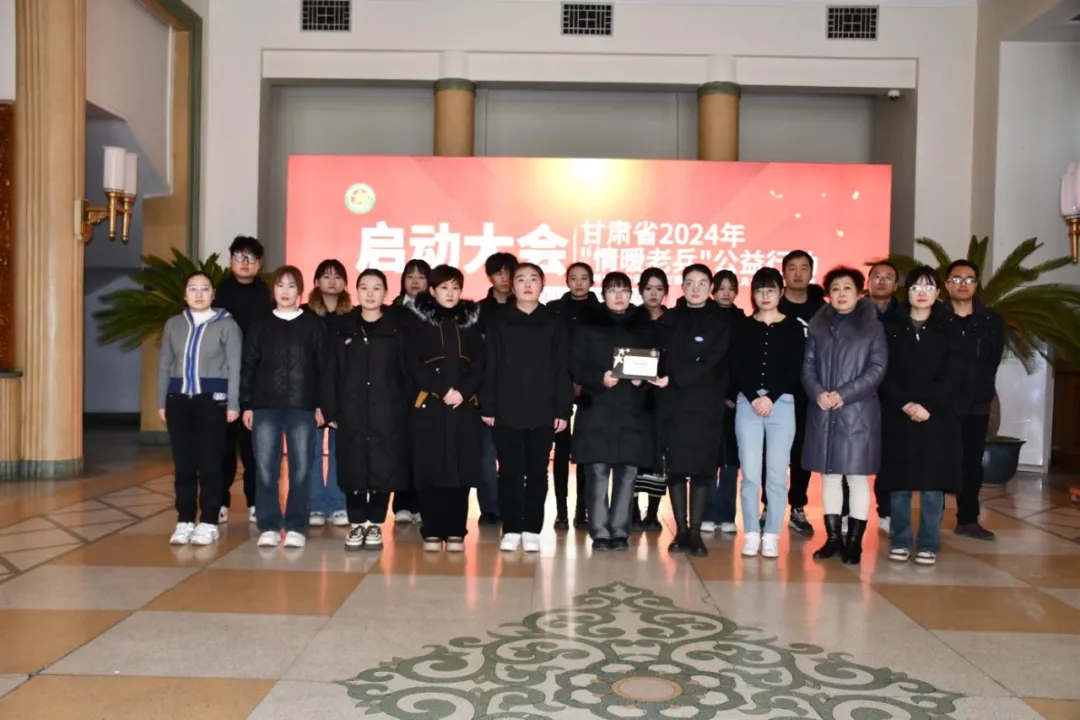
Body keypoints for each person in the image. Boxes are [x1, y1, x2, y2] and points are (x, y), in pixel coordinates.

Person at [482, 263, 574, 553]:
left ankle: (532, 528)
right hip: (506, 407)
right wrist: (488, 405)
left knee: (537, 472)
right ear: (512, 285)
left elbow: (562, 367)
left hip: (543, 409)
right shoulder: (498, 321)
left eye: (533, 279)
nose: (527, 284)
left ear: (542, 285)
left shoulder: (554, 321)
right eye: (521, 279)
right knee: (509, 472)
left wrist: (563, 410)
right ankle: (511, 528)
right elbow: (490, 364)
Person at [880, 266, 965, 566]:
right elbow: (882, 370)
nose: (922, 293)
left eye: (928, 287)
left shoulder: (949, 328)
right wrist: (904, 403)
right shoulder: (890, 326)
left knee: (932, 484)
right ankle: (901, 540)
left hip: (936, 416)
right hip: (899, 414)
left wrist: (928, 405)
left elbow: (953, 373)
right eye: (916, 287)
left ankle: (929, 543)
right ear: (907, 292)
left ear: (938, 293)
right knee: (900, 483)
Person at [803, 267, 887, 565]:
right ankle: (832, 538)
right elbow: (807, 366)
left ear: (859, 292)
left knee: (857, 477)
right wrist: (817, 393)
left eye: (847, 288)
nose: (841, 294)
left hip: (857, 412)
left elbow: (877, 368)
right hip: (824, 410)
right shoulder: (818, 325)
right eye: (835, 288)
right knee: (829, 476)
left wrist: (844, 394)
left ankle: (854, 542)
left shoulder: (872, 325)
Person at [241, 266, 329, 549]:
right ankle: (268, 525)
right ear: (273, 290)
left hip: (303, 406)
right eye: (280, 285)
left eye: (292, 285)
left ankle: (296, 526)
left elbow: (324, 369)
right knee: (266, 468)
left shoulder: (313, 325)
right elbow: (248, 367)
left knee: (301, 469)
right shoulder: (261, 325)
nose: (285, 291)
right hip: (265, 406)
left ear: (300, 291)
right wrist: (247, 404)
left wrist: (322, 405)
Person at [322, 269, 409, 552]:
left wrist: (405, 408)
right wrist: (331, 409)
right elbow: (330, 372)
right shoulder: (343, 327)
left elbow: (407, 373)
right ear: (356, 291)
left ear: (385, 292)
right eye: (364, 288)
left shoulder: (398, 327)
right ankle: (357, 522)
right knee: (353, 466)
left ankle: (375, 524)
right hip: (351, 410)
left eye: (376, 288)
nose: (370, 294)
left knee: (385, 466)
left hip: (388, 410)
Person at [571, 271, 655, 551]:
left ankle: (620, 529)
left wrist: (643, 380)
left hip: (632, 409)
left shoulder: (643, 324)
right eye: (612, 290)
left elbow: (657, 362)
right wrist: (599, 378)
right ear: (603, 295)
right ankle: (599, 531)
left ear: (631, 294)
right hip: (598, 407)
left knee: (628, 472)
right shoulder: (588, 323)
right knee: (597, 471)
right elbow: (575, 364)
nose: (618, 296)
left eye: (623, 290)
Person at [404, 265, 485, 552]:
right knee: (430, 468)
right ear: (432, 290)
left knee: (461, 468)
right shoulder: (417, 321)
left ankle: (456, 531)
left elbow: (481, 363)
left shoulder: (471, 322)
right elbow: (412, 363)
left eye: (455, 287)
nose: (450, 293)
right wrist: (442, 389)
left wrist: (463, 391)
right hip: (429, 405)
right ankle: (431, 530)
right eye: (444, 288)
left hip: (464, 407)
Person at [158, 272, 242, 546]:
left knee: (210, 464)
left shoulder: (227, 325)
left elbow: (235, 367)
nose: (198, 294)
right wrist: (162, 401)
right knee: (183, 465)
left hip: (212, 402)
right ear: (185, 295)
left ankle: (208, 521)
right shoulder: (173, 324)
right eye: (192, 288)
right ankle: (184, 520)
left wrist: (233, 403)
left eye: (204, 288)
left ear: (213, 294)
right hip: (179, 401)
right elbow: (164, 364)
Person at [654, 264, 732, 557]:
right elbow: (656, 356)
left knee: (702, 469)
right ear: (682, 286)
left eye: (702, 283)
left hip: (705, 405)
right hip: (672, 404)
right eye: (690, 282)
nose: (695, 288)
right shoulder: (668, 319)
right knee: (675, 468)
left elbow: (713, 360)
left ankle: (696, 534)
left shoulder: (721, 322)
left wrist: (675, 377)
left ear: (710, 287)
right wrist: (650, 374)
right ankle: (681, 532)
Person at [730, 268, 805, 558]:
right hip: (747, 404)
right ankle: (751, 531)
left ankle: (772, 532)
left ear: (781, 292)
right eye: (760, 290)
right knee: (750, 472)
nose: (765, 296)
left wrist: (771, 397)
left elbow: (794, 367)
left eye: (771, 290)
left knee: (776, 474)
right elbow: (737, 366)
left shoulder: (793, 327)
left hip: (782, 404)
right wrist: (753, 397)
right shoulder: (743, 326)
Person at [945, 259, 1005, 541]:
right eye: (957, 279)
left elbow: (992, 361)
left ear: (976, 285)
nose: (963, 284)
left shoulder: (991, 320)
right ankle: (930, 522)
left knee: (971, 464)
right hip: (941, 404)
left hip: (976, 404)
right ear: (947, 284)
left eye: (968, 279)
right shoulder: (936, 318)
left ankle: (968, 519)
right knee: (936, 461)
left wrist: (979, 391)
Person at [216, 235, 272, 522]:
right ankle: (220, 501)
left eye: (251, 258)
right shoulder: (218, 294)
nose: (245, 262)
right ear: (231, 260)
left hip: (257, 380)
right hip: (223, 379)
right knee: (222, 447)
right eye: (240, 256)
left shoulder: (267, 295)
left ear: (259, 264)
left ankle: (255, 501)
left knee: (254, 448)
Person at [776, 250, 826, 536]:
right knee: (773, 451)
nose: (797, 273)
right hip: (777, 389)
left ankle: (797, 506)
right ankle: (769, 505)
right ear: (784, 273)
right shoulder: (774, 303)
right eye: (792, 268)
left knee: (802, 451)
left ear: (811, 272)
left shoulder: (822, 310)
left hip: (811, 391)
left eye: (803, 268)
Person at [548, 262, 600, 530]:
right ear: (566, 281)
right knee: (561, 451)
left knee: (585, 451)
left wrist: (584, 378)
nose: (578, 283)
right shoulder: (554, 310)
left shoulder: (601, 311)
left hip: (591, 389)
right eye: (573, 278)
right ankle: (561, 511)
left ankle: (583, 510)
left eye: (584, 278)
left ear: (592, 281)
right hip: (559, 389)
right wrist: (565, 381)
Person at [302, 260, 353, 529]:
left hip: (343, 395)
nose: (332, 281)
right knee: (310, 453)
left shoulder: (353, 316)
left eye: (337, 276)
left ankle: (337, 504)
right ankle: (314, 504)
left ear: (345, 282)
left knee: (340, 452)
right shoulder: (304, 315)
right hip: (309, 393)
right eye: (326, 276)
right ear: (316, 282)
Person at [476, 252, 518, 526]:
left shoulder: (525, 309)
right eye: (498, 273)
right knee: (485, 456)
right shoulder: (478, 311)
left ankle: (511, 505)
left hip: (517, 393)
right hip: (485, 393)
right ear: (490, 276)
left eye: (509, 272)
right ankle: (490, 507)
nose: (504, 278)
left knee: (513, 456)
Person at [703, 269, 745, 536]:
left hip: (734, 400)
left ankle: (727, 513)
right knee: (707, 455)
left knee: (731, 459)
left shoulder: (743, 321)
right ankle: (707, 512)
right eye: (721, 288)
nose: (726, 293)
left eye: (731, 288)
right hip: (707, 397)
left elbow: (743, 362)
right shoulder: (704, 318)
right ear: (713, 291)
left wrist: (733, 394)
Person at [390, 258, 430, 524]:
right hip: (398, 388)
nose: (415, 281)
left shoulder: (436, 312)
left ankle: (423, 503)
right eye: (410, 276)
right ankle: (402, 504)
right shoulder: (392, 311)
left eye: (421, 276)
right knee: (401, 447)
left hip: (429, 389)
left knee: (426, 449)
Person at [630, 268, 669, 532]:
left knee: (659, 454)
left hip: (664, 397)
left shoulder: (674, 320)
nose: (653, 294)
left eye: (659, 288)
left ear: (665, 291)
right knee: (633, 451)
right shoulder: (631, 318)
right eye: (648, 288)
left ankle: (653, 513)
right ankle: (631, 509)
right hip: (634, 395)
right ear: (640, 290)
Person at [867, 259, 900, 535]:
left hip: (893, 395)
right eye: (876, 276)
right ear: (868, 282)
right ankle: (845, 513)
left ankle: (886, 511)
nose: (881, 281)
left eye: (888, 277)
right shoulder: (854, 311)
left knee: (890, 456)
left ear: (896, 285)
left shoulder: (904, 315)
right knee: (851, 454)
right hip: (858, 394)